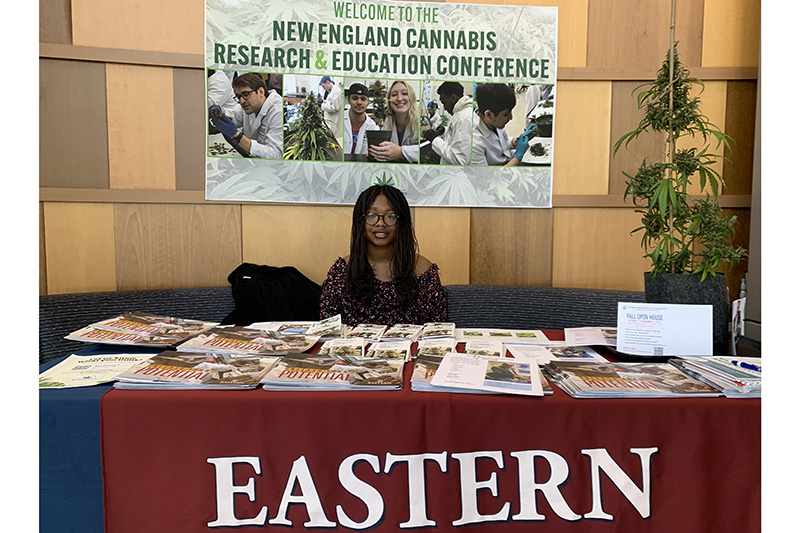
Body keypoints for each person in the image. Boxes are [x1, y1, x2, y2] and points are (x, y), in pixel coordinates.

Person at [319, 184, 447, 326]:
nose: (380, 223)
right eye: (371, 215)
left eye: (390, 216)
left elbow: (437, 330)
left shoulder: (424, 271)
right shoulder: (341, 271)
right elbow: (328, 327)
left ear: (402, 222)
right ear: (360, 221)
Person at [207, 72, 282, 159]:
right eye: (238, 97)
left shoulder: (277, 112)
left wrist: (237, 136)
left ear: (261, 92)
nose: (241, 101)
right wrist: (220, 114)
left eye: (246, 95)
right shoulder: (248, 106)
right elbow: (233, 116)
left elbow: (276, 155)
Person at [470, 83, 534, 166]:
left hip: (508, 159)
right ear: (488, 115)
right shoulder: (473, 144)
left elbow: (504, 142)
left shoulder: (494, 122)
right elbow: (489, 174)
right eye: (506, 114)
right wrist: (518, 157)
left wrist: (517, 141)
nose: (511, 118)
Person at [368, 80, 420, 163]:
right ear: (389, 101)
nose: (399, 98)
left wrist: (401, 152)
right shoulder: (385, 126)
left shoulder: (422, 124)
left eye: (404, 93)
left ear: (412, 98)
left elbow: (429, 151)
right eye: (394, 95)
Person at [428, 81, 475, 165]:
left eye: (444, 103)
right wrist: (444, 130)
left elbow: (460, 159)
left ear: (453, 98)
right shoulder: (458, 113)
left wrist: (435, 140)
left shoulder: (466, 118)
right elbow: (457, 134)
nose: (445, 108)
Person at [343, 82, 378, 156]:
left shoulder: (372, 126)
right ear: (349, 100)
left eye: (363, 99)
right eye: (355, 98)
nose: (359, 102)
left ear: (368, 102)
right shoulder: (339, 120)